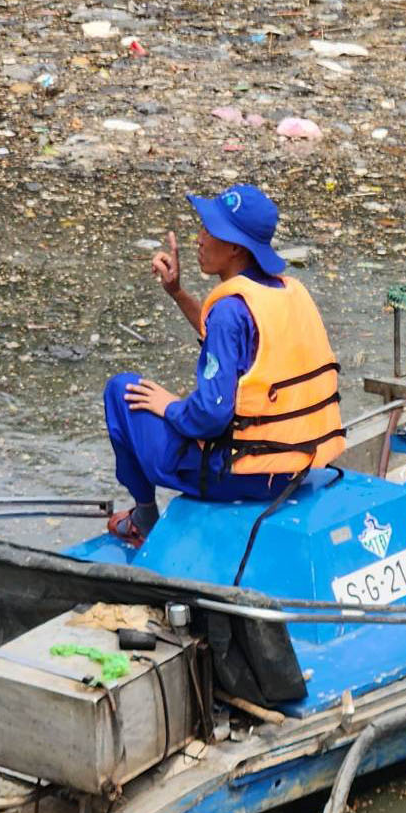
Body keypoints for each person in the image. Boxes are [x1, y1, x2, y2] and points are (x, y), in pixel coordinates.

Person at [102, 184, 345, 547]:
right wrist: (178, 293)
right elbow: (235, 345)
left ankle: (144, 517)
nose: (199, 238)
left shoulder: (232, 309)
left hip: (242, 475)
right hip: (295, 465)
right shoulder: (285, 291)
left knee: (122, 391)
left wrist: (168, 405)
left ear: (234, 248)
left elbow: (210, 415)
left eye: (210, 231)